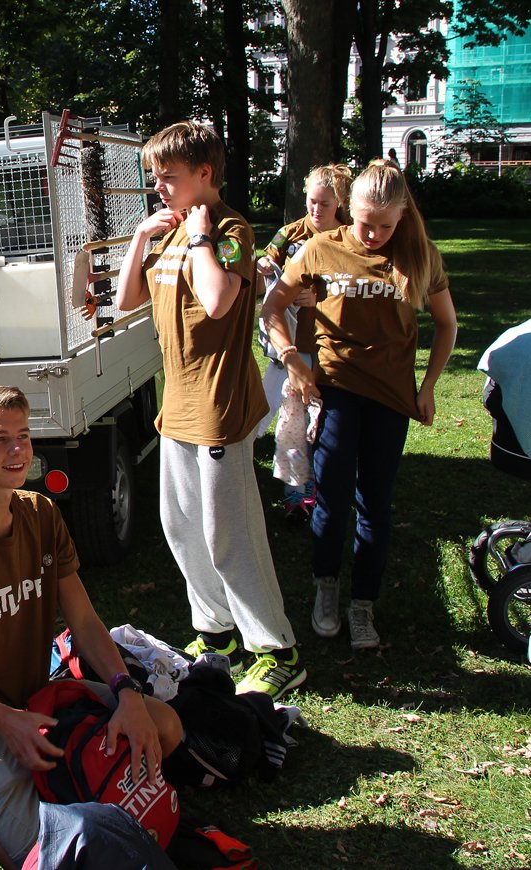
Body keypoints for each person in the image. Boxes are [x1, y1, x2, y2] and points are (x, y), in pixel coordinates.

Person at [0, 385, 183, 869]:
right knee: (42, 856)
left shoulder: (42, 513)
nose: (17, 449)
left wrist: (127, 693)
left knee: (165, 728)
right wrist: (6, 721)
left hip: (39, 701)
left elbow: (85, 621)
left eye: (24, 436)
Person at [115, 121, 304, 700]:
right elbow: (126, 302)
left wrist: (199, 237)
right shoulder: (172, 229)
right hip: (178, 405)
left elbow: (219, 302)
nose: (158, 186)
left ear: (204, 173)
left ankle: (276, 649)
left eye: (168, 176)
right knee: (181, 526)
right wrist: (140, 237)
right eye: (154, 177)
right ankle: (215, 633)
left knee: (229, 533)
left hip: (220, 405)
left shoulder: (229, 229)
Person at [262, 160, 457, 649]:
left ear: (402, 216)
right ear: (349, 209)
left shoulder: (419, 255)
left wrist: (428, 386)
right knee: (330, 498)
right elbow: (272, 307)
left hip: (391, 399)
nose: (373, 235)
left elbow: (447, 324)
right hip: (336, 393)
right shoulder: (321, 248)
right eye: (365, 223)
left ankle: (363, 603)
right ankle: (326, 587)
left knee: (375, 503)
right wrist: (291, 358)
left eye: (385, 226)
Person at [256, 164, 353, 524]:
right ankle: (297, 494)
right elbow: (264, 269)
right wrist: (263, 267)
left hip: (330, 348)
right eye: (311, 201)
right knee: (281, 417)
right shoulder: (290, 234)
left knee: (323, 422)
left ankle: (324, 488)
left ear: (340, 203)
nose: (315, 210)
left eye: (324, 204)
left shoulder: (349, 237)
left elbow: (356, 289)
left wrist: (321, 298)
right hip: (288, 349)